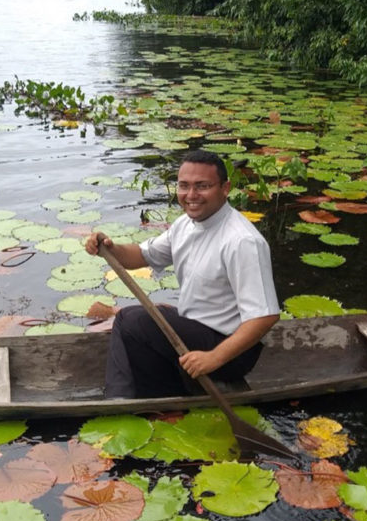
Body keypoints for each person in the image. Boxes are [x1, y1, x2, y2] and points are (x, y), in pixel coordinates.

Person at [85, 150, 281, 398]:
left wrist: (212, 358)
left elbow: (264, 317)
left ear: (225, 188)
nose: (191, 195)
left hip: (230, 351)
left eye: (203, 186)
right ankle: (165, 392)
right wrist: (109, 248)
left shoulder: (242, 241)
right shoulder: (186, 225)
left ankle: (117, 400)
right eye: (184, 186)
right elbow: (141, 256)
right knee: (139, 323)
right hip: (196, 331)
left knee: (130, 321)